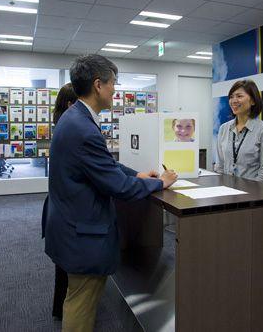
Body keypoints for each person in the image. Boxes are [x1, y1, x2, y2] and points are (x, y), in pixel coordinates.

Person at [44, 54, 177, 332]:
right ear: (98, 85)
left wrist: (136, 174)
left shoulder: (75, 118)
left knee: (76, 298)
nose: (115, 90)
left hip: (69, 223)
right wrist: (160, 183)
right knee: (81, 303)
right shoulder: (83, 128)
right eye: (113, 83)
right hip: (82, 233)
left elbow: (105, 165)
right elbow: (119, 187)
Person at [41, 83, 77, 320]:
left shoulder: (63, 126)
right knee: (67, 266)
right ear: (71, 104)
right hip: (65, 209)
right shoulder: (73, 129)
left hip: (57, 206)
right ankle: (64, 310)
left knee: (63, 267)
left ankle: (60, 308)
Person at [215, 79, 263, 183]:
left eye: (239, 96)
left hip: (252, 195)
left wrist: (248, 195)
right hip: (226, 193)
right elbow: (219, 166)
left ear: (253, 101)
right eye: (231, 97)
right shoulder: (224, 128)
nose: (234, 100)